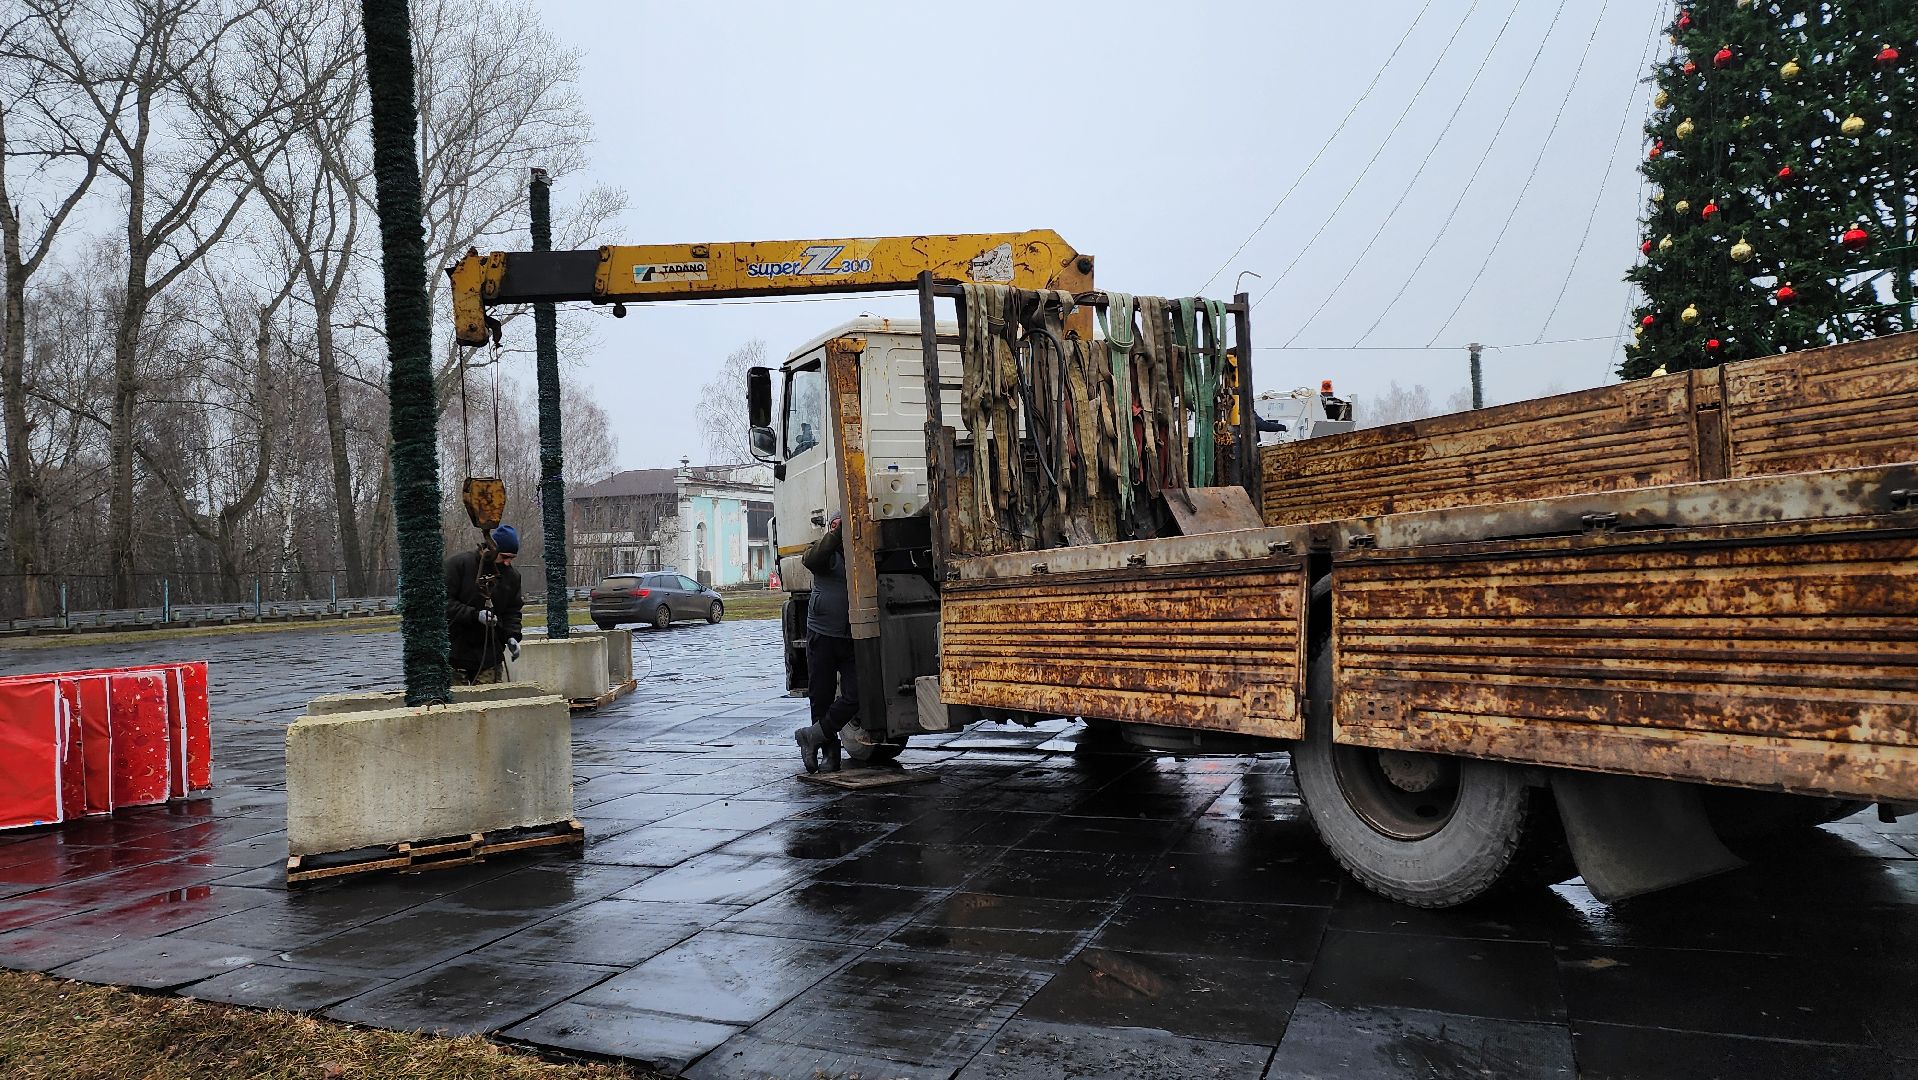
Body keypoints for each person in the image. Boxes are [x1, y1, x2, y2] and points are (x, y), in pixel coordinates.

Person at [794, 511, 855, 773]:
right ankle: (830, 755)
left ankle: (813, 736)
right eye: (834, 525)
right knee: (822, 697)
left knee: (856, 695)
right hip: (822, 634)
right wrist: (835, 534)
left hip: (850, 636)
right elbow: (810, 559)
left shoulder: (857, 554)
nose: (838, 530)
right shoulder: (821, 552)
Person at [445, 524, 524, 685]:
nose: (508, 563)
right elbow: (444, 602)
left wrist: (512, 636)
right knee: (457, 704)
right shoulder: (458, 565)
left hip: (489, 653)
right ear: (491, 549)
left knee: (489, 703)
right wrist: (474, 615)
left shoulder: (512, 577)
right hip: (455, 650)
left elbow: (512, 611)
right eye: (504, 557)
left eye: (512, 558)